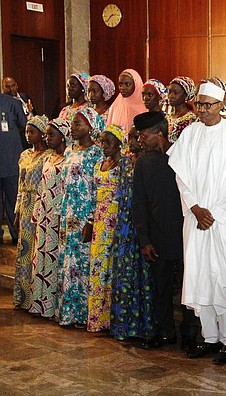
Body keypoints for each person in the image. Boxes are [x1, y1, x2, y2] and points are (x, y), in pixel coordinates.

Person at [167, 80, 226, 364]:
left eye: (209, 105)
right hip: (195, 219)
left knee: (224, 278)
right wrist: (194, 207)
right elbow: (180, 175)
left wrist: (213, 212)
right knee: (200, 276)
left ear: (223, 105)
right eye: (200, 105)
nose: (203, 111)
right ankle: (210, 337)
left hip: (224, 219)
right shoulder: (189, 134)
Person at [132, 111, 199, 350]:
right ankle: (164, 332)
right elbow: (138, 202)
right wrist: (144, 240)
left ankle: (190, 334)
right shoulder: (143, 162)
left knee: (188, 287)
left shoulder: (182, 157)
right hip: (157, 237)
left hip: (185, 234)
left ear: (159, 134)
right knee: (160, 287)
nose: (140, 139)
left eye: (144, 135)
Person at [57, 107, 104, 327]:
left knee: (83, 264)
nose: (73, 128)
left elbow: (97, 187)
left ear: (90, 126)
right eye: (73, 123)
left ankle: (85, 314)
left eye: (78, 124)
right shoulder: (69, 151)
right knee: (69, 263)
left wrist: (92, 219)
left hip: (85, 213)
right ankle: (69, 313)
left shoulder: (97, 153)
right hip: (69, 212)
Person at [110, 119, 154, 342]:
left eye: (137, 137)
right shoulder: (125, 162)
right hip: (125, 222)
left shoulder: (149, 161)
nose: (133, 141)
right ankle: (123, 325)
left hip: (143, 223)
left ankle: (143, 326)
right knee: (124, 272)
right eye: (130, 138)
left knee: (142, 274)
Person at [87, 124, 127, 332]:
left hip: (117, 221)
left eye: (108, 142)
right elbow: (94, 195)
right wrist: (91, 221)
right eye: (102, 142)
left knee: (114, 270)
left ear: (119, 143)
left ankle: (113, 320)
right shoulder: (99, 165)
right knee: (98, 267)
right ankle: (97, 317)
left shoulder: (125, 166)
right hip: (100, 222)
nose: (104, 146)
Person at [29, 117, 71, 318]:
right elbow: (41, 188)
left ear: (63, 136)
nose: (47, 137)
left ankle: (52, 306)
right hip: (44, 215)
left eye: (51, 134)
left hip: (57, 216)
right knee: (41, 258)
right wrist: (37, 214)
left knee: (54, 260)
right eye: (46, 134)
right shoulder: (48, 159)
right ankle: (39, 303)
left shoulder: (68, 159)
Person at [13, 115, 52, 309]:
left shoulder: (48, 156)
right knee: (24, 250)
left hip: (39, 204)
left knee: (36, 250)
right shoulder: (25, 155)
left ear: (42, 134)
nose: (28, 135)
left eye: (32, 131)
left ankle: (34, 299)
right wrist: (18, 208)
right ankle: (22, 297)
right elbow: (21, 185)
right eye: (27, 131)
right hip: (25, 204)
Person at [0, 92, 27, 244]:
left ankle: (16, 234)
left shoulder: (11, 103)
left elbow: (25, 124)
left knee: (13, 200)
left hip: (10, 161)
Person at [167, 76, 197, 143]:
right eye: (169, 92)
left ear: (185, 95)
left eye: (175, 93)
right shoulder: (166, 117)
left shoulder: (192, 119)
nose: (170, 96)